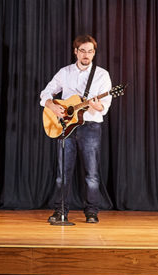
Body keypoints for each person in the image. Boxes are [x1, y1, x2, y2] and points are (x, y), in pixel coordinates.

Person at [40, 34, 112, 224]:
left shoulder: (102, 75)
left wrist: (97, 105)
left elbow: (105, 105)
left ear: (94, 53)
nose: (86, 55)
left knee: (92, 173)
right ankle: (60, 211)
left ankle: (91, 212)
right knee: (62, 173)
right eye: (82, 51)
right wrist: (51, 105)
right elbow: (46, 92)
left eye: (90, 51)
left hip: (91, 127)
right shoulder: (65, 72)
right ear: (76, 52)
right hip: (65, 127)